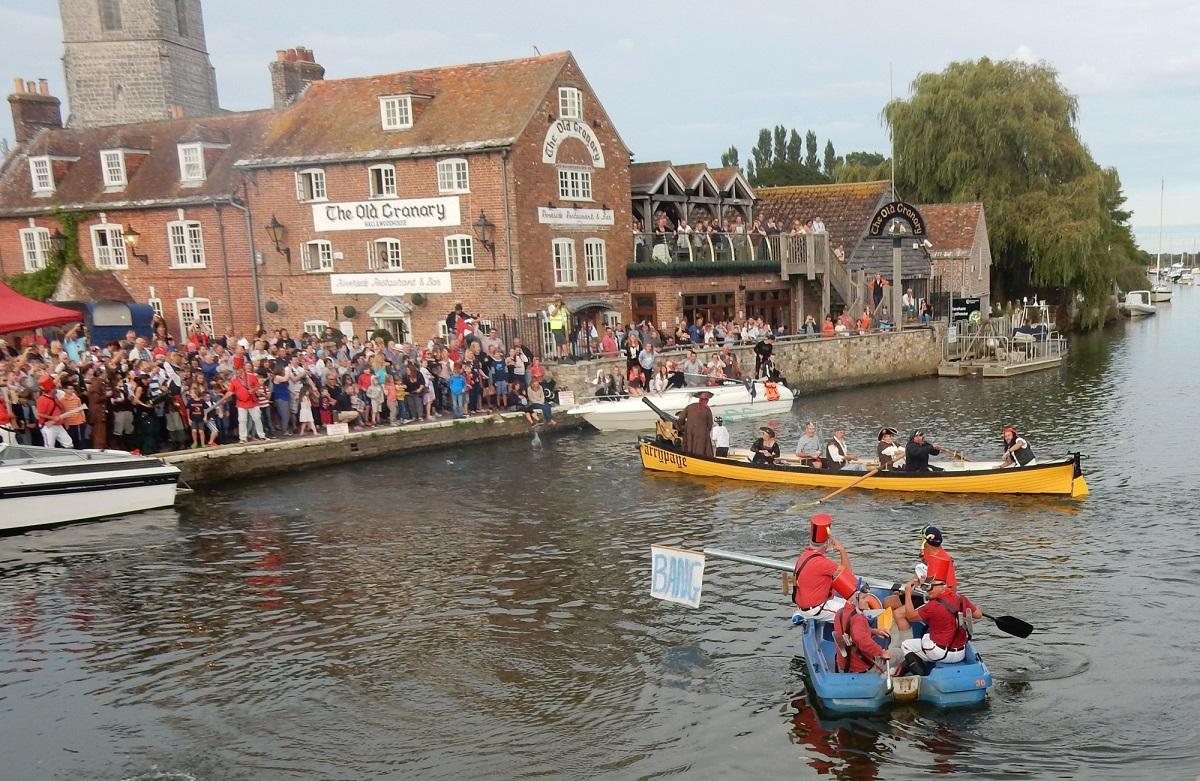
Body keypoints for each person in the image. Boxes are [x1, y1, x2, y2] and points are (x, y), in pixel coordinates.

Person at [898, 556, 982, 668]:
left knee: (906, 645)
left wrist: (908, 593)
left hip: (941, 654)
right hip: (960, 654)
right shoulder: (962, 599)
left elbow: (910, 616)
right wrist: (979, 608)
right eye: (925, 587)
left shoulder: (932, 606)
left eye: (930, 587)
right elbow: (978, 615)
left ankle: (920, 674)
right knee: (928, 635)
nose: (927, 591)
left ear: (942, 587)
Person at [790, 513, 852, 622]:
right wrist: (842, 550)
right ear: (827, 544)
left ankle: (801, 613)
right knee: (854, 611)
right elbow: (849, 576)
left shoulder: (804, 555)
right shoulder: (823, 563)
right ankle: (808, 615)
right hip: (815, 608)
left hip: (802, 604)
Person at [833, 589, 892, 674]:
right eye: (863, 598)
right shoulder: (858, 618)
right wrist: (881, 652)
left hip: (843, 666)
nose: (868, 600)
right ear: (853, 601)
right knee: (899, 653)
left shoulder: (839, 613)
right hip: (862, 668)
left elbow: (851, 632)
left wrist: (874, 631)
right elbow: (860, 639)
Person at [916, 526, 957, 592]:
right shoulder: (925, 554)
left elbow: (952, 589)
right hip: (924, 590)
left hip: (936, 596)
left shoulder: (946, 560)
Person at [675, 390, 715, 457]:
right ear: (707, 400)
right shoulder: (708, 411)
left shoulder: (690, 406)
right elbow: (710, 425)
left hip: (689, 432)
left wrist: (681, 428)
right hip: (702, 434)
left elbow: (681, 419)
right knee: (701, 450)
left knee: (689, 447)